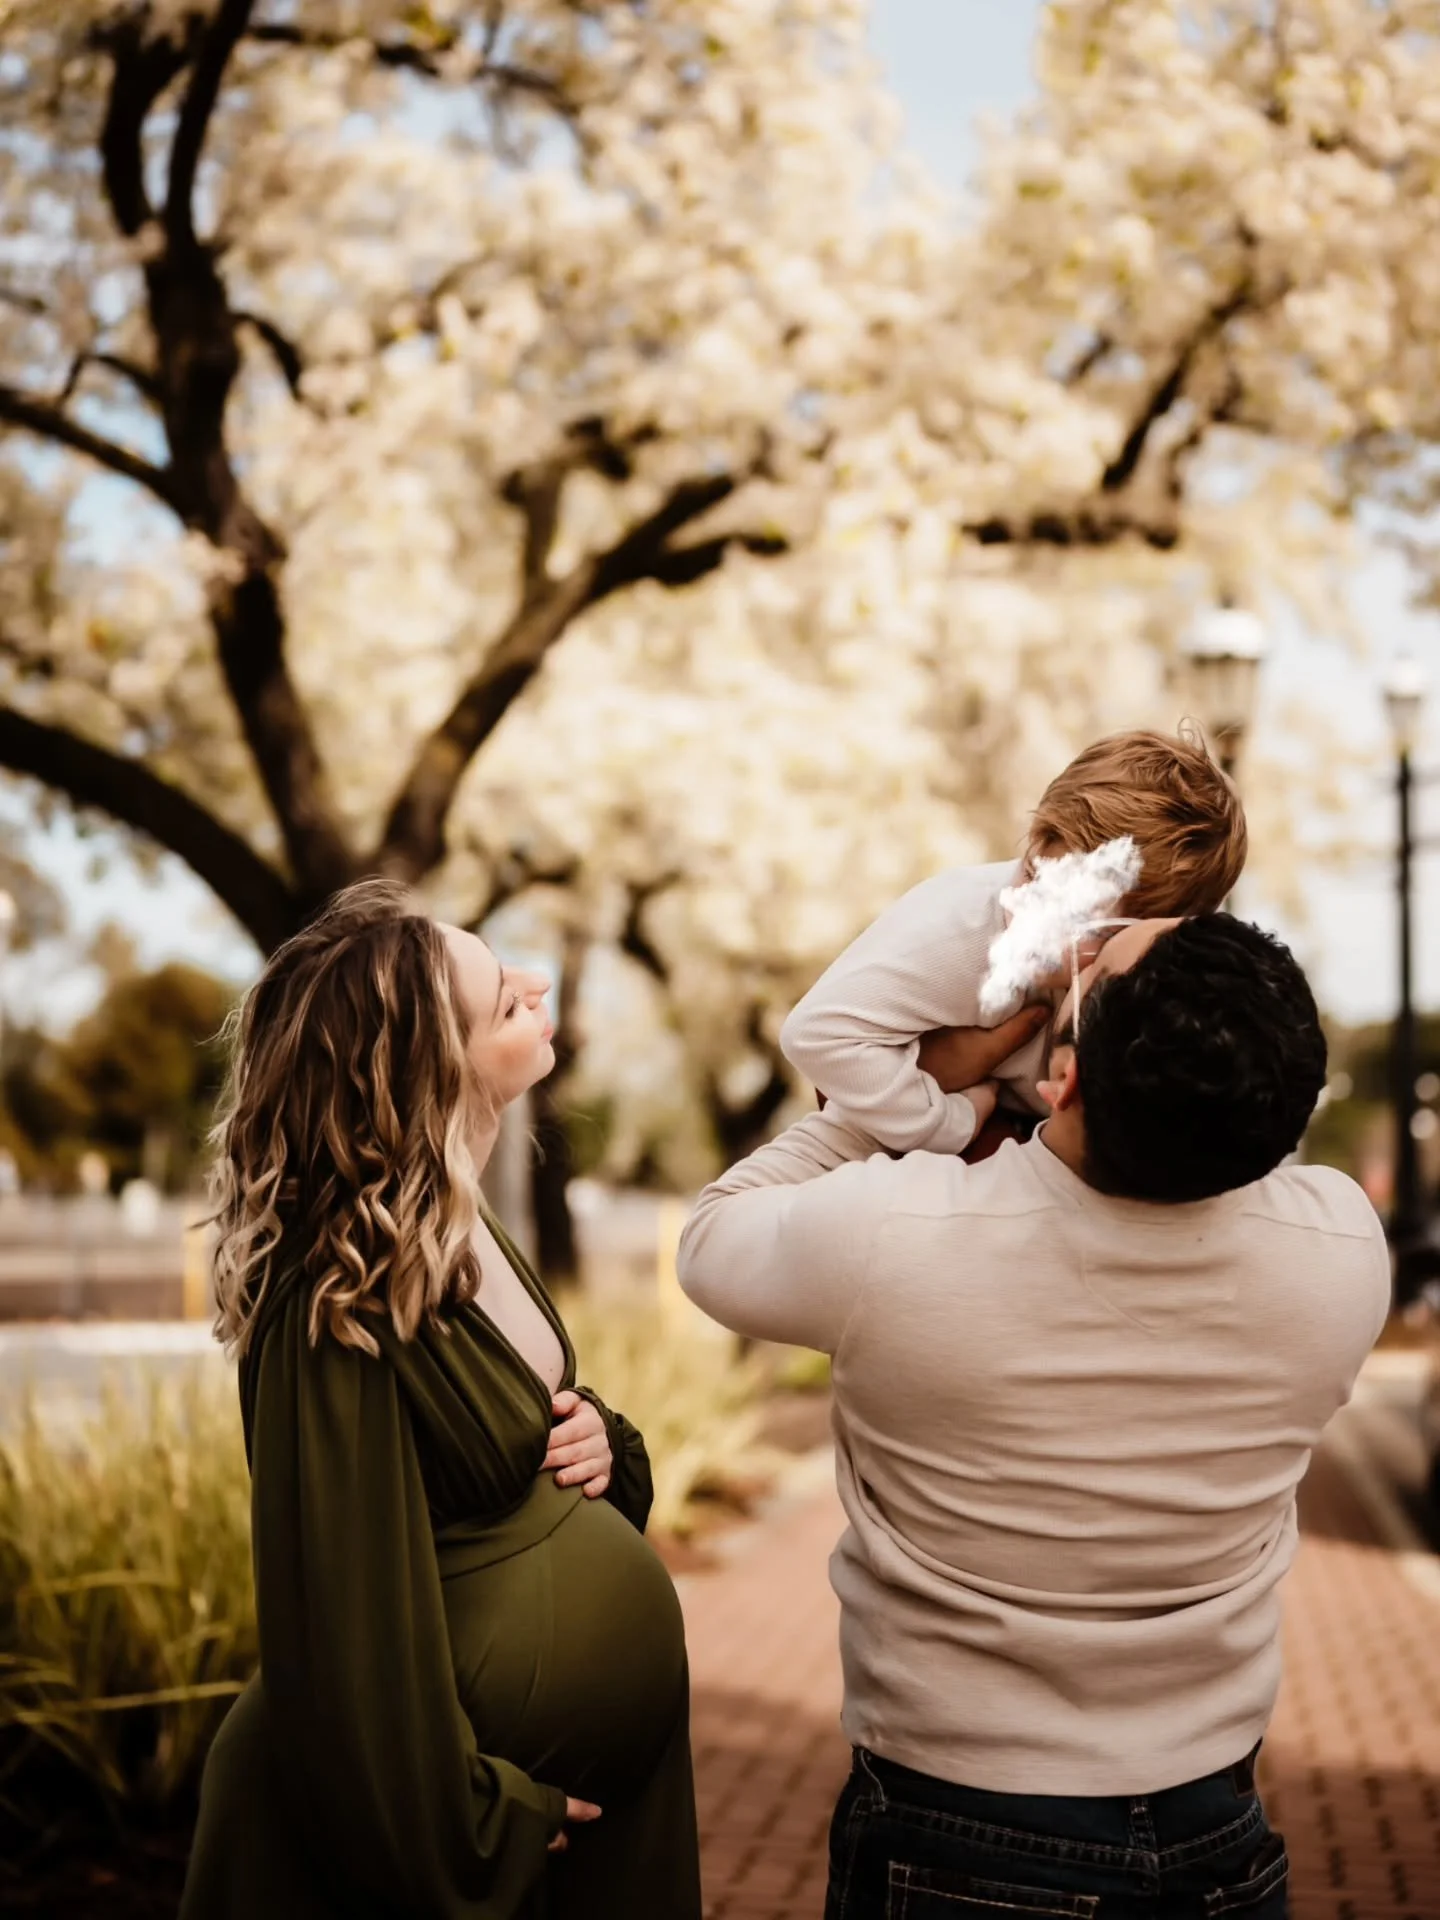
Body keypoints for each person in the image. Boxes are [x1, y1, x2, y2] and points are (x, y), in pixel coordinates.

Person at [679, 914, 1389, 1919]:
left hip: (954, 1826)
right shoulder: (1341, 1248)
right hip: (1217, 1829)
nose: (1082, 948)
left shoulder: (898, 1233)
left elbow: (712, 1237)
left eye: (1094, 965)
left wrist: (899, 1104)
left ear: (1063, 1077)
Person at [181, 880, 701, 1920]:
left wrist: (598, 1439)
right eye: (505, 998)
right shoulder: (337, 1290)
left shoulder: (451, 1226)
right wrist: (462, 1822)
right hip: (411, 1820)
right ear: (432, 1070)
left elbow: (491, 1451)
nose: (540, 983)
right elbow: (341, 1609)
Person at [781, 727, 1246, 1153]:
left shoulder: (1160, 990)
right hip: (923, 1144)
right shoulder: (957, 926)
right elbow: (818, 1034)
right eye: (1034, 878)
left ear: (1156, 933)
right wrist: (951, 1123)